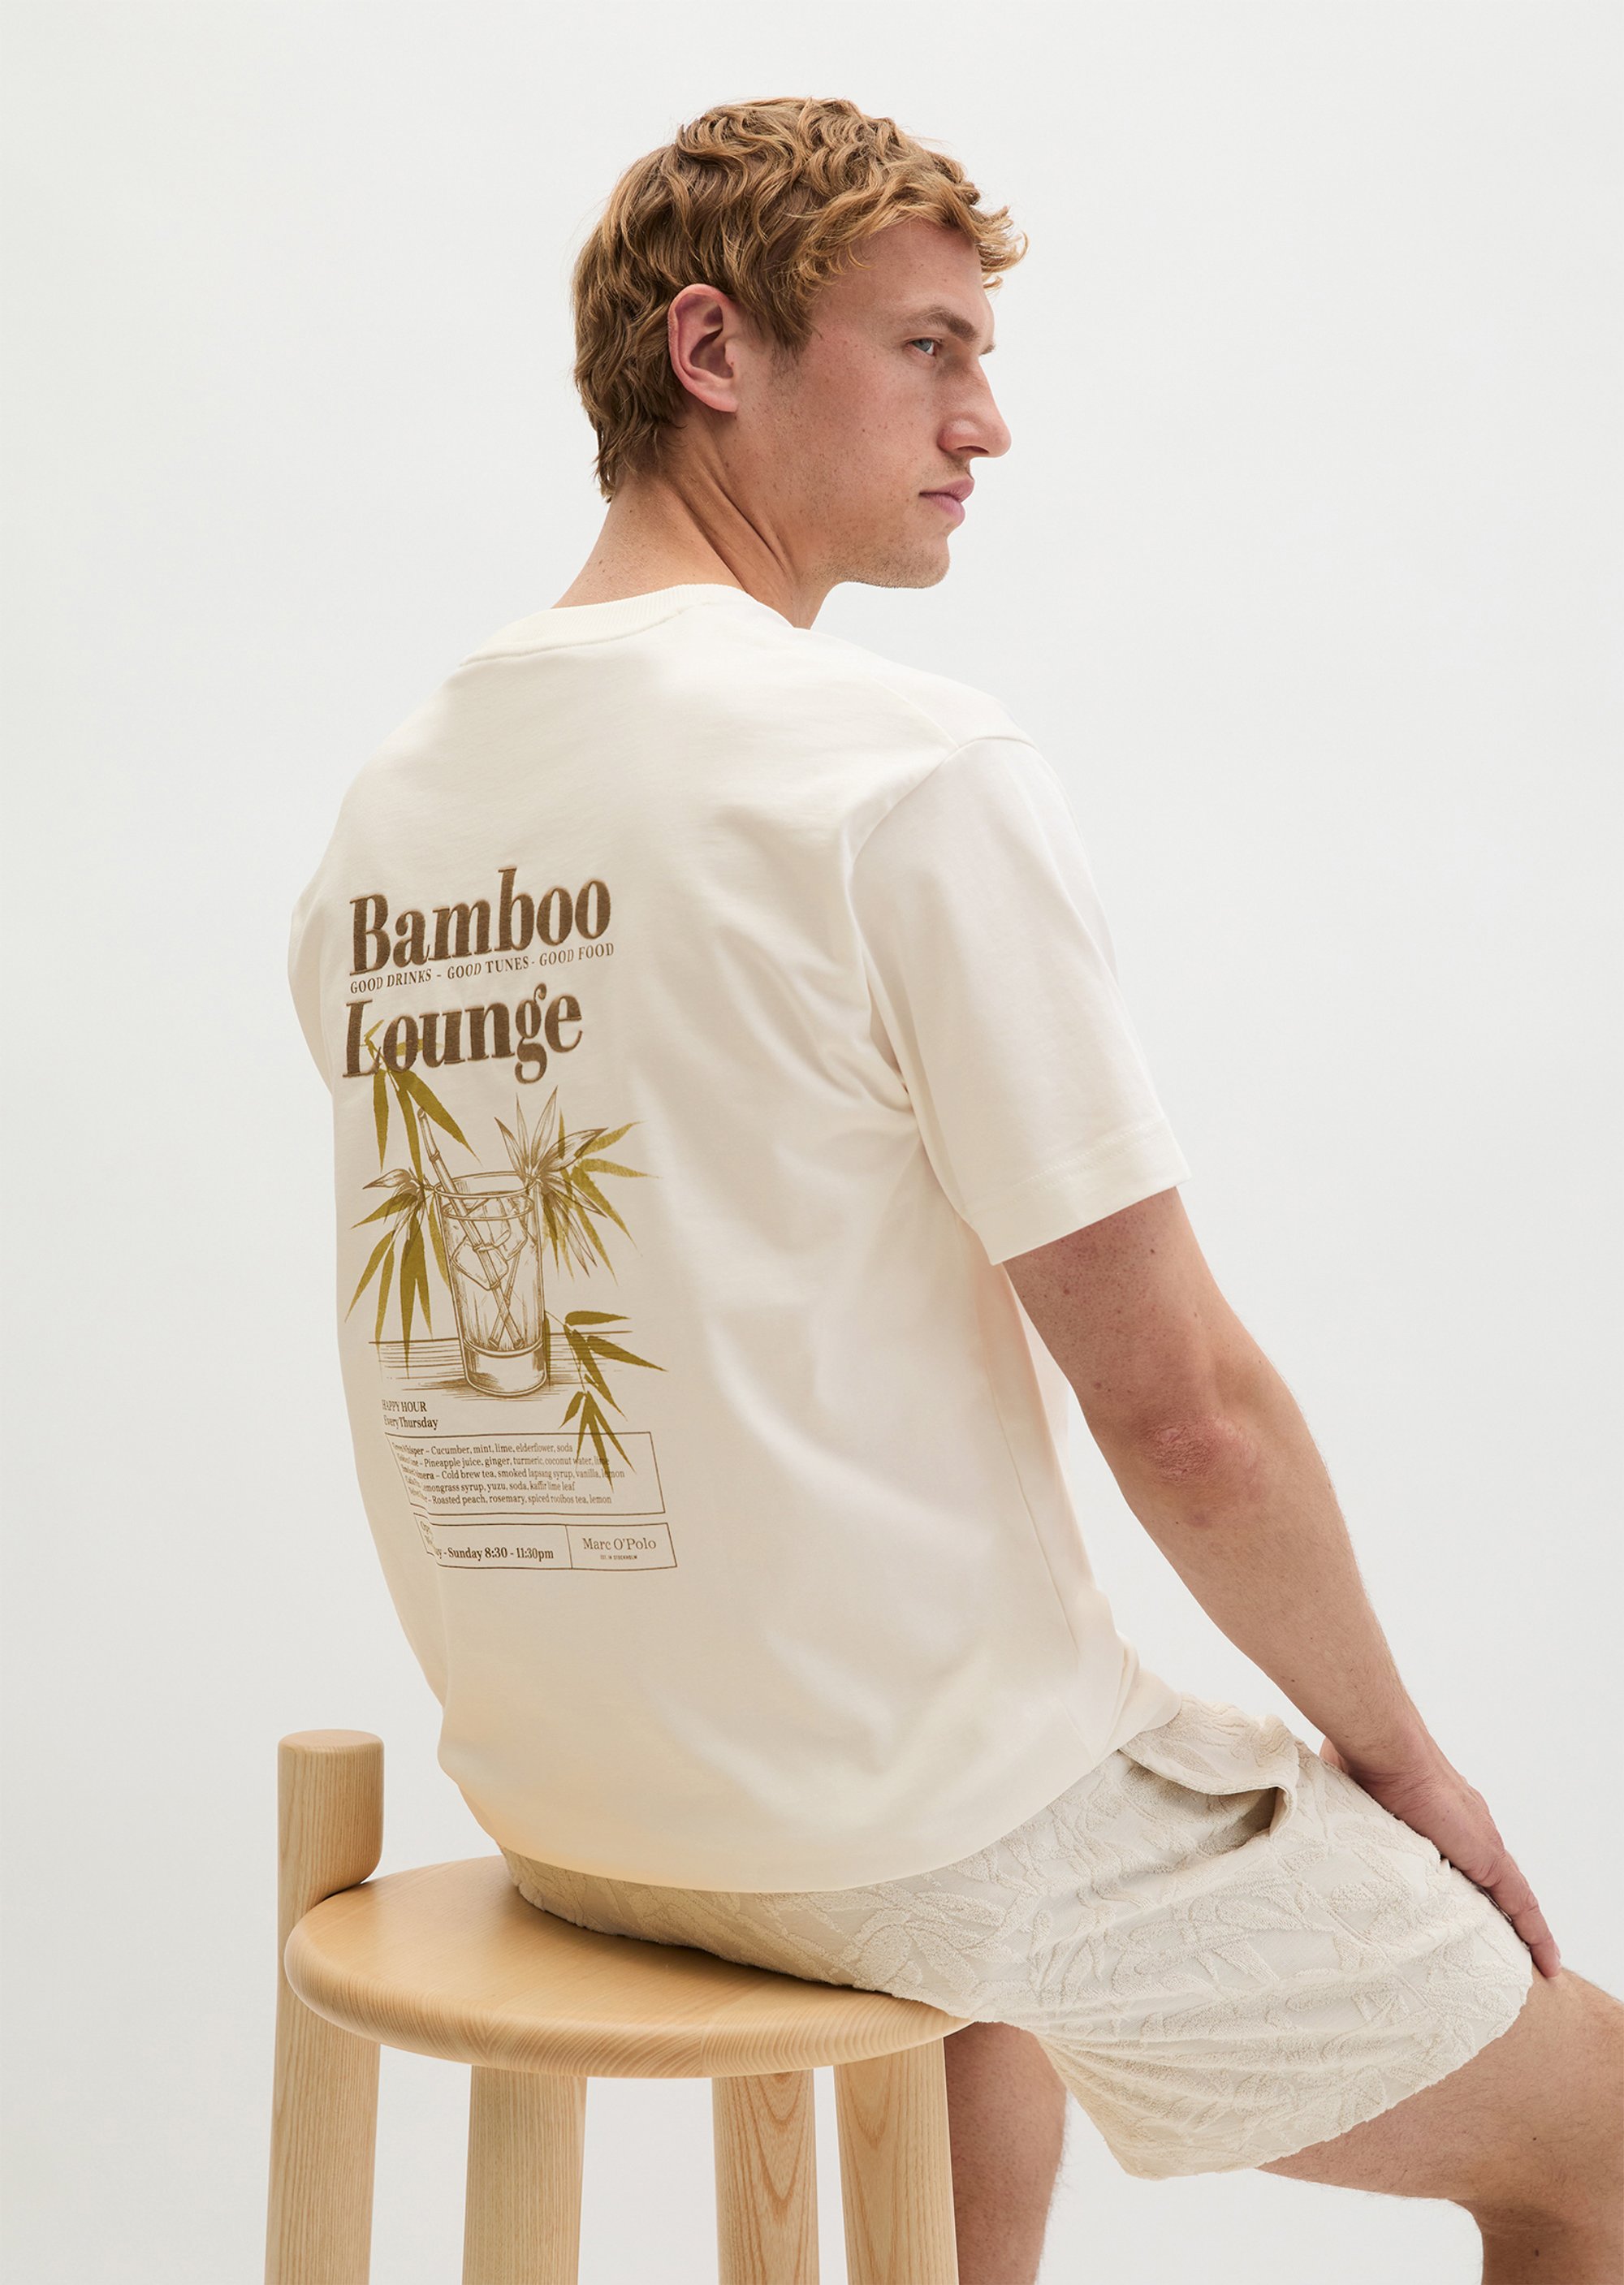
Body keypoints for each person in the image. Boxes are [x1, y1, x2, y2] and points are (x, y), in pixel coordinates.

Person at [289, 97, 1621, 2284]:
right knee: (1605, 2141)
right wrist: (1406, 1765)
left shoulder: (391, 813)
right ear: (713, 351)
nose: (985, 422)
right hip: (889, 1824)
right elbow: (1182, 1407)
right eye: (928, 349)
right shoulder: (893, 770)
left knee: (1010, 1777)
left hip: (575, 1804)